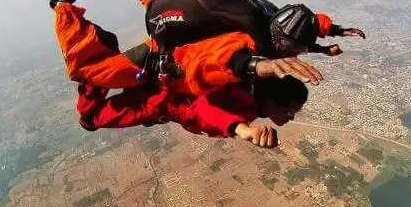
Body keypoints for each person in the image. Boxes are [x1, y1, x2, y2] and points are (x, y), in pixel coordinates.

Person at [39, 0, 366, 98]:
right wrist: (252, 67)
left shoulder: (271, 14)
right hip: (162, 44)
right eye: (294, 50)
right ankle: (62, 0)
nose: (295, 54)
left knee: (169, 16)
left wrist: (332, 32)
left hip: (174, 2)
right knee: (89, 72)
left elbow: (310, 22)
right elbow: (214, 59)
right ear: (280, 43)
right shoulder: (248, 40)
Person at [75, 73, 308, 149]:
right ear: (275, 100)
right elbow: (208, 108)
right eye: (290, 110)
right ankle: (91, 74)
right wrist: (241, 129)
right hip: (157, 100)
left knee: (94, 117)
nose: (291, 117)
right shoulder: (242, 95)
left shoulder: (251, 94)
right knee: (91, 118)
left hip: (162, 102)